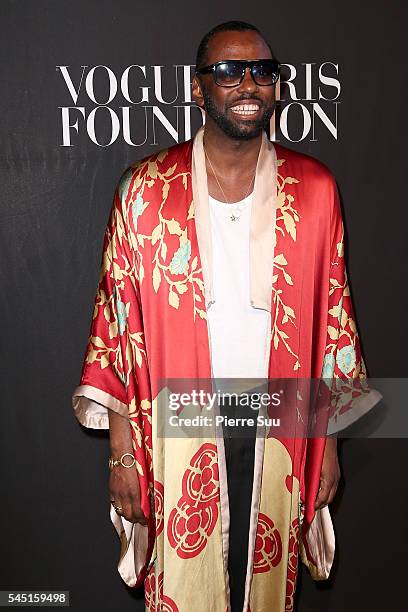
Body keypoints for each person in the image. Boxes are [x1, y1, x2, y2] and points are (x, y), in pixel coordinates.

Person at [72, 20, 380, 612]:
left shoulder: (315, 189)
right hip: (178, 421)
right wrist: (120, 455)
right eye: (229, 70)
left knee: (264, 588)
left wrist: (331, 447)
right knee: (190, 585)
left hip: (282, 420)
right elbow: (117, 330)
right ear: (197, 88)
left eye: (262, 72)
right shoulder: (145, 191)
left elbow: (333, 324)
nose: (248, 84)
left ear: (277, 88)